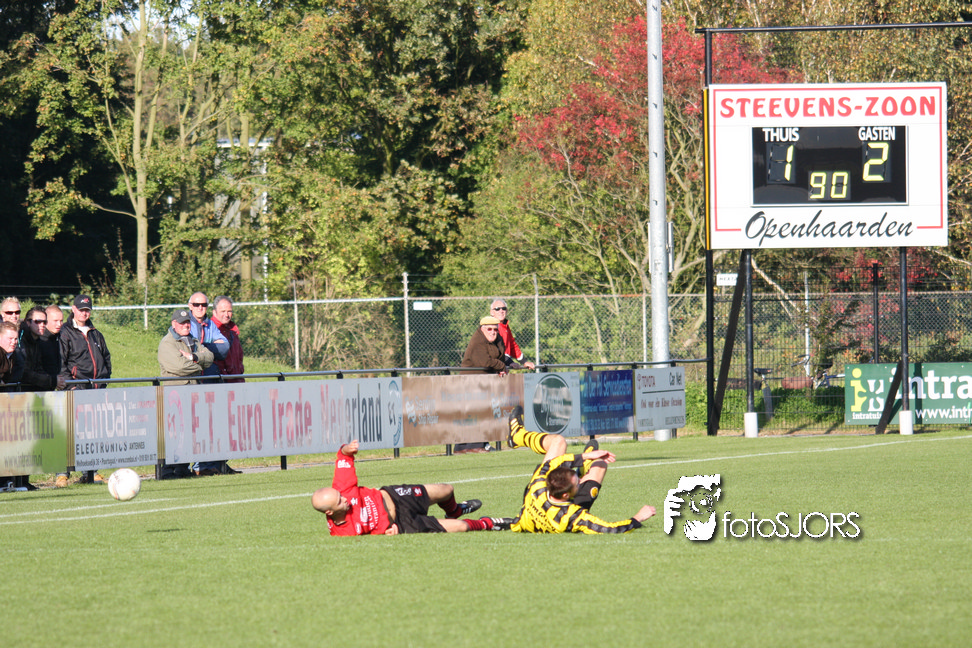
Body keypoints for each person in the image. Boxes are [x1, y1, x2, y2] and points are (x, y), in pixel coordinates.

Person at [506, 406, 656, 534]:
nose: (580, 482)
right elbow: (608, 529)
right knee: (600, 465)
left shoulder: (538, 483)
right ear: (566, 495)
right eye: (578, 483)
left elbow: (557, 461)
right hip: (564, 511)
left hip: (542, 503)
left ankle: (518, 436)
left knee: (559, 442)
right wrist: (638, 518)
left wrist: (586, 456)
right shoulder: (572, 516)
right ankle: (583, 469)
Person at [312, 440, 513, 535]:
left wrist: (347, 448)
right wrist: (390, 531)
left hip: (396, 496)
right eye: (340, 501)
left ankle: (454, 510)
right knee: (461, 527)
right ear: (330, 512)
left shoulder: (343, 488)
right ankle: (490, 523)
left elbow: (343, 456)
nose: (345, 498)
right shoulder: (342, 533)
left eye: (341, 495)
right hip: (402, 523)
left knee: (447, 490)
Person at [157, 308, 215, 480]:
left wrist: (192, 357)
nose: (186, 326)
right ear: (174, 324)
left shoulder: (193, 340)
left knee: (189, 432)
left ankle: (183, 468)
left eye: (188, 322)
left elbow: (210, 357)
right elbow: (179, 367)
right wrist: (199, 364)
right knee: (174, 433)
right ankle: (168, 471)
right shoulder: (167, 343)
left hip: (192, 393)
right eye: (182, 323)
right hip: (174, 395)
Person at [457, 315, 520, 453]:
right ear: (482, 329)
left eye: (495, 329)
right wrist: (502, 367)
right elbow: (485, 361)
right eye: (489, 329)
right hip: (471, 382)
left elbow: (501, 357)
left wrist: (510, 364)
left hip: (486, 382)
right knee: (474, 414)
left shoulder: (498, 339)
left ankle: (480, 444)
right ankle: (468, 446)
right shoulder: (477, 341)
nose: (493, 332)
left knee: (485, 413)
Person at [187, 292, 231, 476]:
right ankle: (192, 466)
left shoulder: (209, 324)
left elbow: (224, 348)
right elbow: (187, 350)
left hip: (209, 381)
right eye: (197, 304)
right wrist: (208, 349)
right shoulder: (185, 322)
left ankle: (205, 465)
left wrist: (202, 349)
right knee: (193, 426)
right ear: (190, 306)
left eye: (204, 305)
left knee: (210, 425)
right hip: (192, 382)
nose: (200, 308)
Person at [59, 294, 111, 389]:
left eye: (87, 310)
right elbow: (60, 362)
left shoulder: (96, 334)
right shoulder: (64, 333)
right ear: (73, 309)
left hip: (99, 388)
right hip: (77, 388)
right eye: (81, 310)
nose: (84, 313)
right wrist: (71, 386)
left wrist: (105, 379)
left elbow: (106, 357)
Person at [490, 299, 535, 370]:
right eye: (497, 309)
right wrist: (510, 362)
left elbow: (512, 346)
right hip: (492, 367)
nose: (501, 311)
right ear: (492, 312)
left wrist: (524, 362)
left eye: (503, 308)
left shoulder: (505, 326)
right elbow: (494, 351)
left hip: (502, 366)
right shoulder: (490, 327)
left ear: (507, 311)